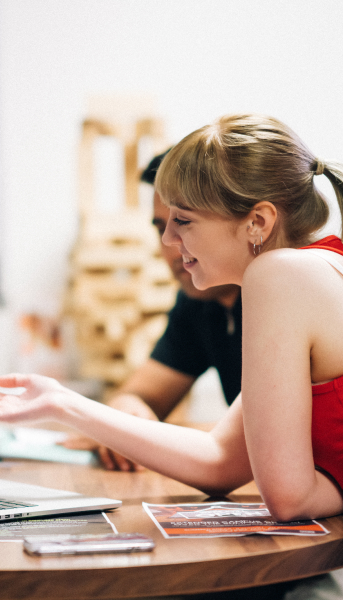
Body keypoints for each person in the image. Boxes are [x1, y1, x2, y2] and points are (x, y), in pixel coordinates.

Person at [0, 112, 343, 532]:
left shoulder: (278, 276)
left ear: (257, 222)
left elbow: (289, 499)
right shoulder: (320, 266)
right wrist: (63, 404)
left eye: (182, 221)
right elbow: (218, 461)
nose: (167, 241)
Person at [64, 151, 241, 471]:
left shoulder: (280, 296)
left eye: (185, 224)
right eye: (161, 228)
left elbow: (235, 457)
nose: (171, 246)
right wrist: (128, 413)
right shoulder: (199, 301)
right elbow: (142, 396)